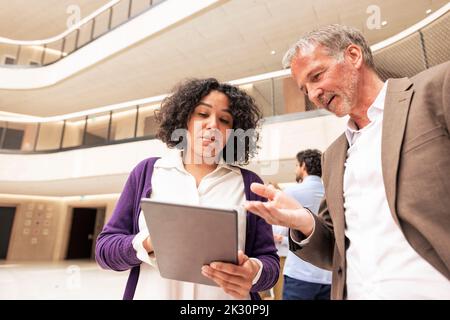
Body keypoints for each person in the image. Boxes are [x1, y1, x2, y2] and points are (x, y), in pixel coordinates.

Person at [245, 24, 450, 299]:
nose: (314, 94)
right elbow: (336, 251)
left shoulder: (436, 89)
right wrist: (304, 221)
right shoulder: (333, 156)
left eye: (317, 76)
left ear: (353, 56)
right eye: (305, 90)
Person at [95, 78, 279, 300]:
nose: (213, 125)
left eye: (224, 119)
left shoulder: (249, 184)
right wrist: (150, 242)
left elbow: (270, 265)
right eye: (203, 114)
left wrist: (254, 271)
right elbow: (105, 251)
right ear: (185, 119)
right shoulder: (147, 172)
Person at [273, 149, 332, 300]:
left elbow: (281, 229)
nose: (295, 169)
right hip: (328, 276)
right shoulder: (331, 191)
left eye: (296, 165)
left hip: (299, 274)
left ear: (303, 165)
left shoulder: (291, 191)